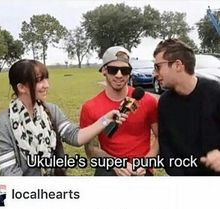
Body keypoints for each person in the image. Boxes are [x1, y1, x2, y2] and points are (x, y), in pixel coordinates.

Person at [0, 59, 126, 176]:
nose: (46, 85)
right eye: (39, 80)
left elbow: (75, 136)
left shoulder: (51, 110)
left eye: (46, 78)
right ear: (21, 87)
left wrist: (106, 119)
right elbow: (10, 172)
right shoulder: (3, 124)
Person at [80, 46, 158, 176]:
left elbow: (160, 136)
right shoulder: (90, 107)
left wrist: (146, 162)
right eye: (113, 70)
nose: (119, 75)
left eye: (125, 70)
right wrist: (114, 163)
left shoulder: (148, 101)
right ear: (104, 70)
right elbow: (91, 149)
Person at [153, 38, 220, 176]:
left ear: (178, 65)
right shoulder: (165, 103)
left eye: (158, 67)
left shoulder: (215, 93)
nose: (154, 73)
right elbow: (166, 147)